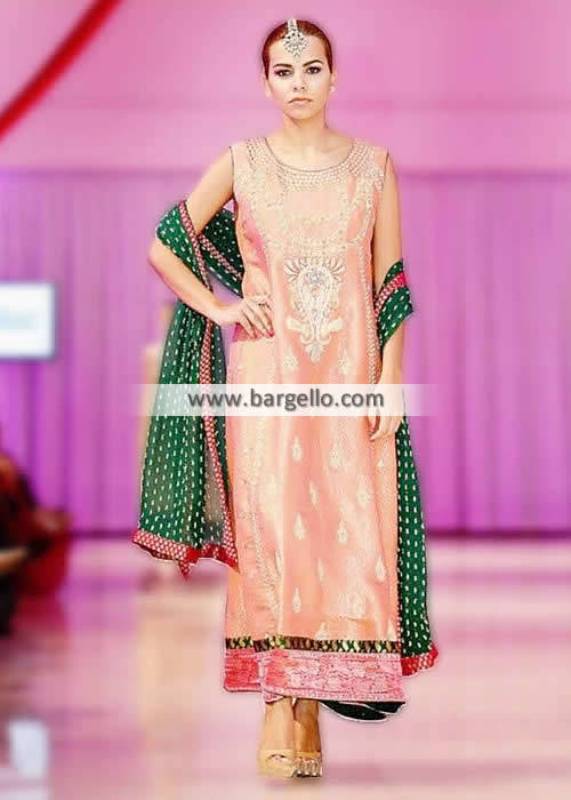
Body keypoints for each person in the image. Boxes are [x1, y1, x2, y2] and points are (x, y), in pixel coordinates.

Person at [134, 17, 438, 779]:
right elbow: (166, 244)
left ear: (334, 77)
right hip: (266, 374)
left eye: (311, 68)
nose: (298, 83)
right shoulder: (242, 163)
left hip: (348, 378)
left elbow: (390, 284)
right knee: (272, 527)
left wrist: (390, 380)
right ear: (264, 84)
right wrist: (220, 307)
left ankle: (312, 698)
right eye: (282, 70)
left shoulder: (373, 168)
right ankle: (282, 699)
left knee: (343, 530)